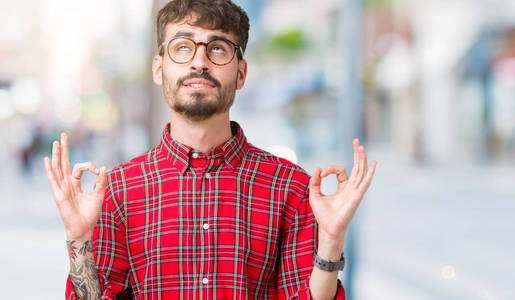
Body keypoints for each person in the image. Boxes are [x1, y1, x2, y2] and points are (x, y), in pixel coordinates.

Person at [43, 0, 377, 299]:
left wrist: (331, 241)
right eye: (183, 47)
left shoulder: (289, 187)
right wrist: (79, 240)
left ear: (241, 73)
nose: (199, 61)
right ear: (160, 69)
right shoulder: (119, 190)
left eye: (217, 49)